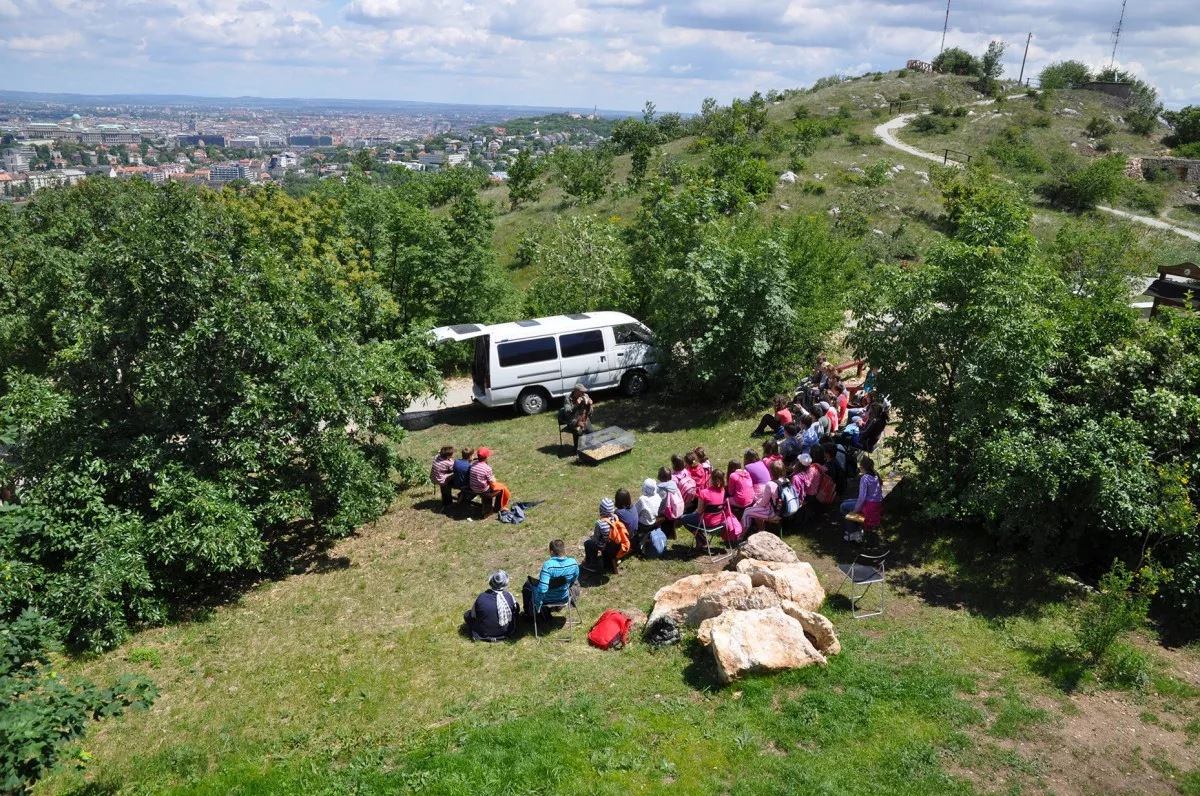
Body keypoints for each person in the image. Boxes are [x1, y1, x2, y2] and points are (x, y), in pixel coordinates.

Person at [523, 539, 580, 619]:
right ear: (563, 550)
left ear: (552, 552)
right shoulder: (573, 563)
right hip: (563, 596)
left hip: (547, 598)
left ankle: (529, 614)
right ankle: (563, 606)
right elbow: (574, 579)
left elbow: (543, 589)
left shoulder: (548, 565)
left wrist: (538, 604)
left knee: (527, 585)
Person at [464, 570, 519, 642]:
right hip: (507, 633)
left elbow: (473, 615)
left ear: (491, 582)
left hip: (483, 634)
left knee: (467, 614)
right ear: (505, 583)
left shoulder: (482, 597)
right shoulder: (509, 596)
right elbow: (516, 611)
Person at [680, 469, 728, 548]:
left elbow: (699, 511)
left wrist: (694, 512)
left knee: (683, 518)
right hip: (719, 521)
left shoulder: (703, 492)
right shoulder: (723, 490)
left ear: (711, 479)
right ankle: (700, 541)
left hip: (706, 522)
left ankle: (702, 538)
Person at [841, 456, 883, 543]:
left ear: (863, 467)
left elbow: (862, 497)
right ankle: (854, 528)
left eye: (860, 465)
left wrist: (856, 510)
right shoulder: (875, 475)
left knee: (843, 507)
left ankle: (854, 533)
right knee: (846, 502)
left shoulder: (865, 478)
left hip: (869, 508)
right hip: (874, 505)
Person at [743, 460, 785, 531]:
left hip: (774, 513)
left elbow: (763, 503)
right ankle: (761, 531)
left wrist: (757, 503)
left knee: (747, 511)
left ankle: (740, 537)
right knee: (755, 509)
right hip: (784, 510)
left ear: (771, 471)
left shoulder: (770, 484)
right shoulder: (786, 480)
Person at [469, 447, 510, 516]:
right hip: (482, 490)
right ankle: (497, 508)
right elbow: (492, 481)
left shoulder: (474, 464)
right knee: (501, 489)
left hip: (473, 487)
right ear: (486, 457)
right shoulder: (487, 468)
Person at [655, 468, 684, 539]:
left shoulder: (659, 489)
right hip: (675, 510)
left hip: (664, 513)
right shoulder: (673, 485)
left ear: (659, 477)